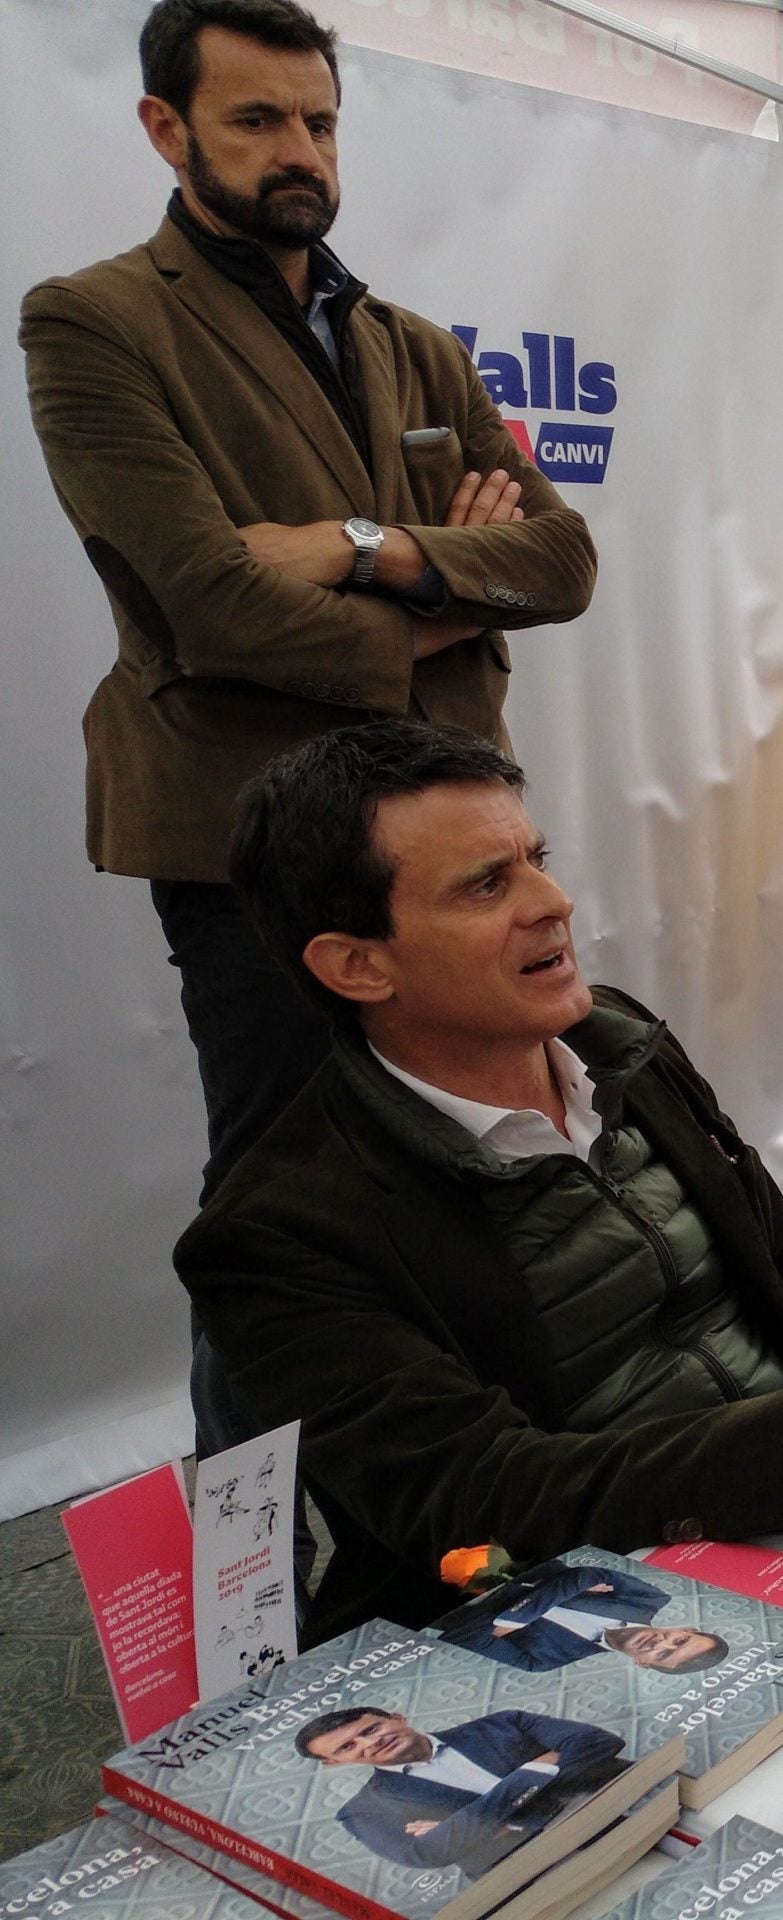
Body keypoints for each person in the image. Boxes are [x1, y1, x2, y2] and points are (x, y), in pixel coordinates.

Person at [19, 0, 599, 1473]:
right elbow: (206, 604)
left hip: (450, 839)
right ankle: (254, 1575)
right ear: (167, 129)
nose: (300, 153)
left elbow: (564, 564)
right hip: (253, 845)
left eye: (320, 122)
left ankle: (465, 1504)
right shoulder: (92, 322)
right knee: (285, 1206)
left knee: (470, 1169)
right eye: (257, 120)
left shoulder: (406, 340)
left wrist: (357, 546)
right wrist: (452, 579)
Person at [175, 722, 783, 1640]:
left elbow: (776, 1246)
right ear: (357, 964)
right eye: (487, 884)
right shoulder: (279, 1231)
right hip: (593, 1621)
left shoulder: (616, 1043)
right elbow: (478, 1501)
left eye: (536, 860)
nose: (552, 901)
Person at [299, 1704, 625, 1876]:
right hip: (536, 1870)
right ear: (333, 1762)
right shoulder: (363, 1810)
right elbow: (426, 1853)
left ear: (397, 1717)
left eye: (371, 1728)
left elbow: (600, 1743)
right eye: (348, 1747)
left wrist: (473, 1826)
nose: (371, 1743)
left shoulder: (503, 1723)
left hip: (621, 1804)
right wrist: (530, 1773)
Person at [432, 1561, 727, 1675]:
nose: (662, 1642)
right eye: (680, 1640)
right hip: (503, 1558)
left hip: (439, 1604)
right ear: (685, 1627)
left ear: (644, 1663)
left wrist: (554, 1590)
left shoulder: (547, 1661)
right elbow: (588, 1573)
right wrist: (510, 1623)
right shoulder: (647, 1599)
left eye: (663, 1654)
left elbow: (460, 1639)